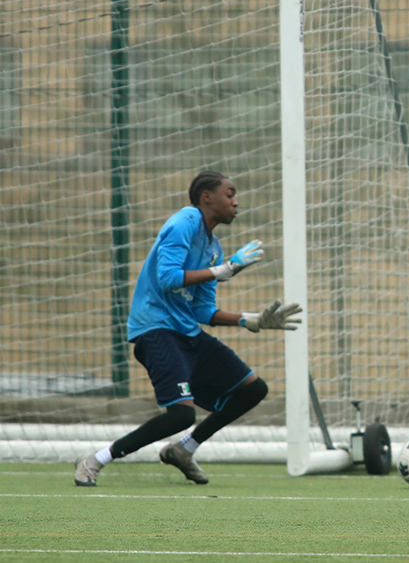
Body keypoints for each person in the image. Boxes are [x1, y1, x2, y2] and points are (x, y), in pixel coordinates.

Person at [74, 171, 302, 487]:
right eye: (230, 194)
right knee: (181, 415)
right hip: (155, 331)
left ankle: (184, 450)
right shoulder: (185, 221)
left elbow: (201, 310)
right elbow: (168, 278)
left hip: (187, 334)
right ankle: (95, 459)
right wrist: (224, 271)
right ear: (206, 197)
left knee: (253, 389)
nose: (236, 202)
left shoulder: (214, 247)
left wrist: (249, 320)